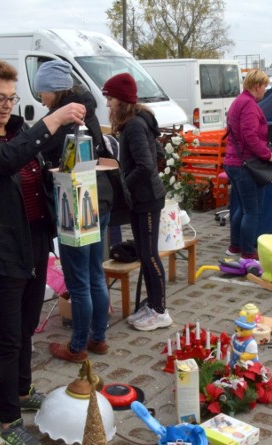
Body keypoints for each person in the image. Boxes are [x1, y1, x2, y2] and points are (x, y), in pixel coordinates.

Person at [0, 59, 86, 445]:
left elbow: (27, 166)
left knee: (27, 326)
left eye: (12, 97)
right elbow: (7, 160)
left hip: (32, 244)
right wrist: (53, 120)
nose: (6, 105)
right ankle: (8, 420)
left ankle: (24, 389)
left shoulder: (15, 133)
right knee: (7, 340)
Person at [33, 60, 112, 363]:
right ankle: (99, 339)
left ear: (54, 90)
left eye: (43, 92)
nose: (41, 98)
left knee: (79, 279)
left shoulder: (63, 117)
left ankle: (78, 346)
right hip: (100, 196)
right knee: (94, 274)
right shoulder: (87, 109)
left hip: (76, 205)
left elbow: (45, 153)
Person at [103, 72, 173, 331]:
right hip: (143, 200)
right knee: (145, 253)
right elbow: (157, 152)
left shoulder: (134, 125)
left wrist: (123, 187)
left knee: (150, 255)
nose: (108, 104)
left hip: (147, 200)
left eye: (110, 98)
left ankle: (160, 310)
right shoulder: (139, 121)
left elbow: (145, 165)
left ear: (121, 99)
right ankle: (153, 304)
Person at [223, 69, 272, 260]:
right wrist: (268, 155)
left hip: (233, 162)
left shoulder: (237, 102)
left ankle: (235, 246)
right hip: (245, 165)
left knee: (240, 208)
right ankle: (248, 253)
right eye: (264, 86)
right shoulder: (249, 105)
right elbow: (250, 136)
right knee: (252, 211)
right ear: (257, 86)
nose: (265, 90)